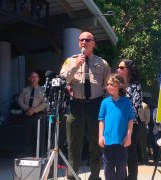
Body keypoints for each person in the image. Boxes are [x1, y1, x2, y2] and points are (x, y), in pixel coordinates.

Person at [60, 31, 110, 180]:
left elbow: (108, 86)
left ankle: (95, 175)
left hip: (96, 105)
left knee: (96, 143)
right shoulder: (70, 61)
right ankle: (72, 175)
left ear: (93, 43)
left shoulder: (103, 63)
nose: (84, 42)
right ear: (78, 43)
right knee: (74, 143)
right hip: (76, 106)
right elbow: (62, 80)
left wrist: (107, 107)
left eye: (88, 40)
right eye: (81, 40)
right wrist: (76, 66)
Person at [98, 74, 134, 180]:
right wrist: (100, 136)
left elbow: (130, 120)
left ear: (120, 85)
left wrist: (128, 136)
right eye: (107, 84)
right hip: (107, 140)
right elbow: (101, 120)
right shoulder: (105, 102)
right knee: (108, 168)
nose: (109, 86)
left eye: (112, 84)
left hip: (121, 141)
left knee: (121, 167)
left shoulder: (126, 102)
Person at [117, 59, 142, 180]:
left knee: (131, 153)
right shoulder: (118, 86)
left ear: (129, 70)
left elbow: (135, 108)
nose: (118, 70)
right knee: (118, 153)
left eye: (122, 68)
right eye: (118, 67)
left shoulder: (135, 86)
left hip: (132, 124)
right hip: (118, 124)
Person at [18, 71, 47, 156]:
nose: (34, 79)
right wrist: (27, 108)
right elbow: (20, 100)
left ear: (38, 79)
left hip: (38, 116)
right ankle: (27, 153)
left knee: (39, 135)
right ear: (30, 78)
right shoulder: (25, 90)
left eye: (36, 77)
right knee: (27, 135)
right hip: (27, 115)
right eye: (32, 77)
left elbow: (45, 103)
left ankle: (39, 154)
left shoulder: (42, 90)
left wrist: (34, 110)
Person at [138, 100, 150, 165]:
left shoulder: (144, 105)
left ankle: (145, 160)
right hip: (133, 123)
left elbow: (147, 118)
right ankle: (137, 159)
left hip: (141, 124)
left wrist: (143, 125)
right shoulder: (130, 102)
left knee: (143, 144)